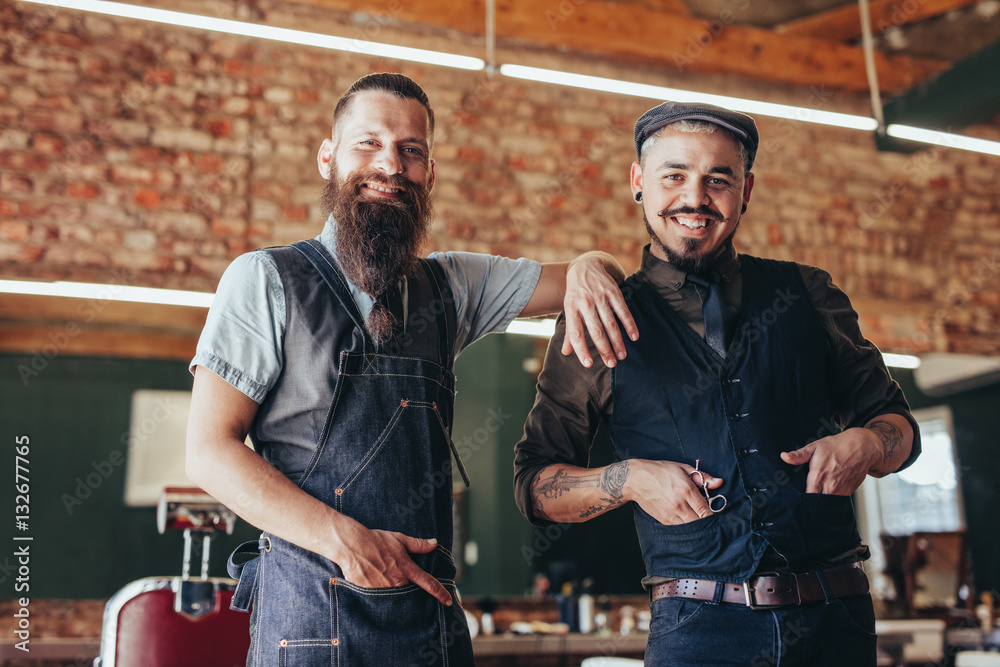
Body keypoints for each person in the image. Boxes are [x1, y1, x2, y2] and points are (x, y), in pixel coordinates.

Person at [185, 72, 636, 667]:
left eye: (410, 150)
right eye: (367, 143)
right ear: (328, 157)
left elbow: (587, 274)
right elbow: (209, 451)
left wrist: (589, 263)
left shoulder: (451, 286)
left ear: (429, 173)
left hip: (427, 628)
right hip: (309, 628)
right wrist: (347, 543)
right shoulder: (264, 280)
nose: (390, 165)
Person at [513, 100, 922, 666]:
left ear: (746, 190)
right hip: (696, 632)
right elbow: (535, 485)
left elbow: (899, 428)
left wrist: (872, 443)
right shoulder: (594, 319)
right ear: (639, 182)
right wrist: (627, 480)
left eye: (718, 179)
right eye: (674, 175)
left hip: (836, 622)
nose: (695, 197)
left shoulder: (810, 294)